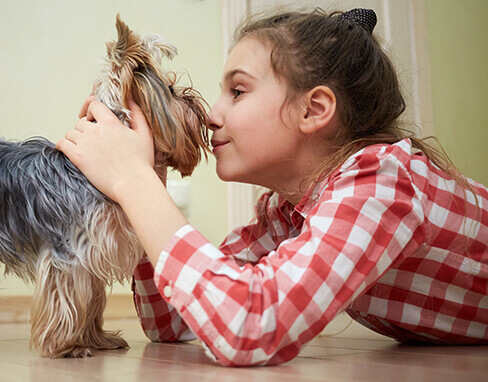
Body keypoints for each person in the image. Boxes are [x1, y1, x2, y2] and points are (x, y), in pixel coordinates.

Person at [57, 8, 488, 366]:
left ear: (313, 109)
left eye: (238, 91)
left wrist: (131, 180)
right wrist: (149, 171)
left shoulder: (383, 182)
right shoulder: (287, 213)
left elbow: (251, 324)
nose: (212, 114)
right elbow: (170, 322)